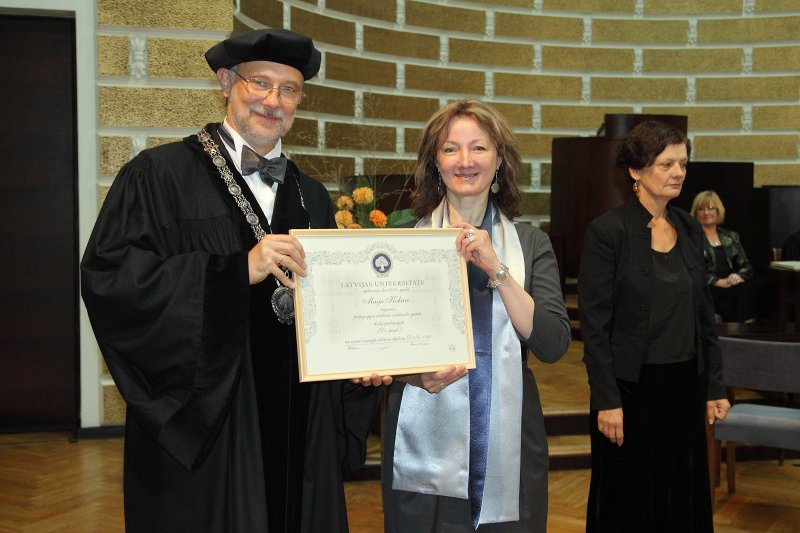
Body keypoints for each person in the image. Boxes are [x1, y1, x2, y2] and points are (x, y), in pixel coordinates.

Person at [80, 29, 379, 533]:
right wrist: (236, 269)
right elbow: (112, 279)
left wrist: (360, 359)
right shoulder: (160, 176)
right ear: (225, 83)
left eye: (289, 89)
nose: (272, 101)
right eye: (259, 83)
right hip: (215, 426)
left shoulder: (311, 195)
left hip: (297, 421)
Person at [360, 99, 570, 532]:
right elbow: (375, 344)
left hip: (508, 437)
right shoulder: (400, 241)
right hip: (420, 435)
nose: (465, 161)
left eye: (479, 148)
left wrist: (498, 269)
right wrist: (406, 374)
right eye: (450, 149)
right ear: (435, 163)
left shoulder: (530, 244)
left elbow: (552, 344)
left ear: (500, 161)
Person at [578, 121, 730, 532]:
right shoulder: (607, 232)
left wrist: (714, 386)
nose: (678, 172)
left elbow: (704, 313)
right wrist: (607, 399)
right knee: (629, 498)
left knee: (683, 492)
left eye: (682, 163)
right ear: (635, 171)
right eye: (666, 164)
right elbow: (594, 326)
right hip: (630, 392)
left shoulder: (688, 226)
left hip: (684, 387)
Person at [691, 190, 758, 322]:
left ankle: (744, 331)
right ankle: (740, 332)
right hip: (708, 288)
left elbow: (746, 266)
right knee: (739, 294)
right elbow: (693, 269)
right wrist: (717, 281)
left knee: (748, 288)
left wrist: (737, 276)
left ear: (718, 211)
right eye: (701, 209)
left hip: (731, 283)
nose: (706, 213)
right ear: (695, 213)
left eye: (710, 208)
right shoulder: (691, 238)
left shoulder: (731, 236)